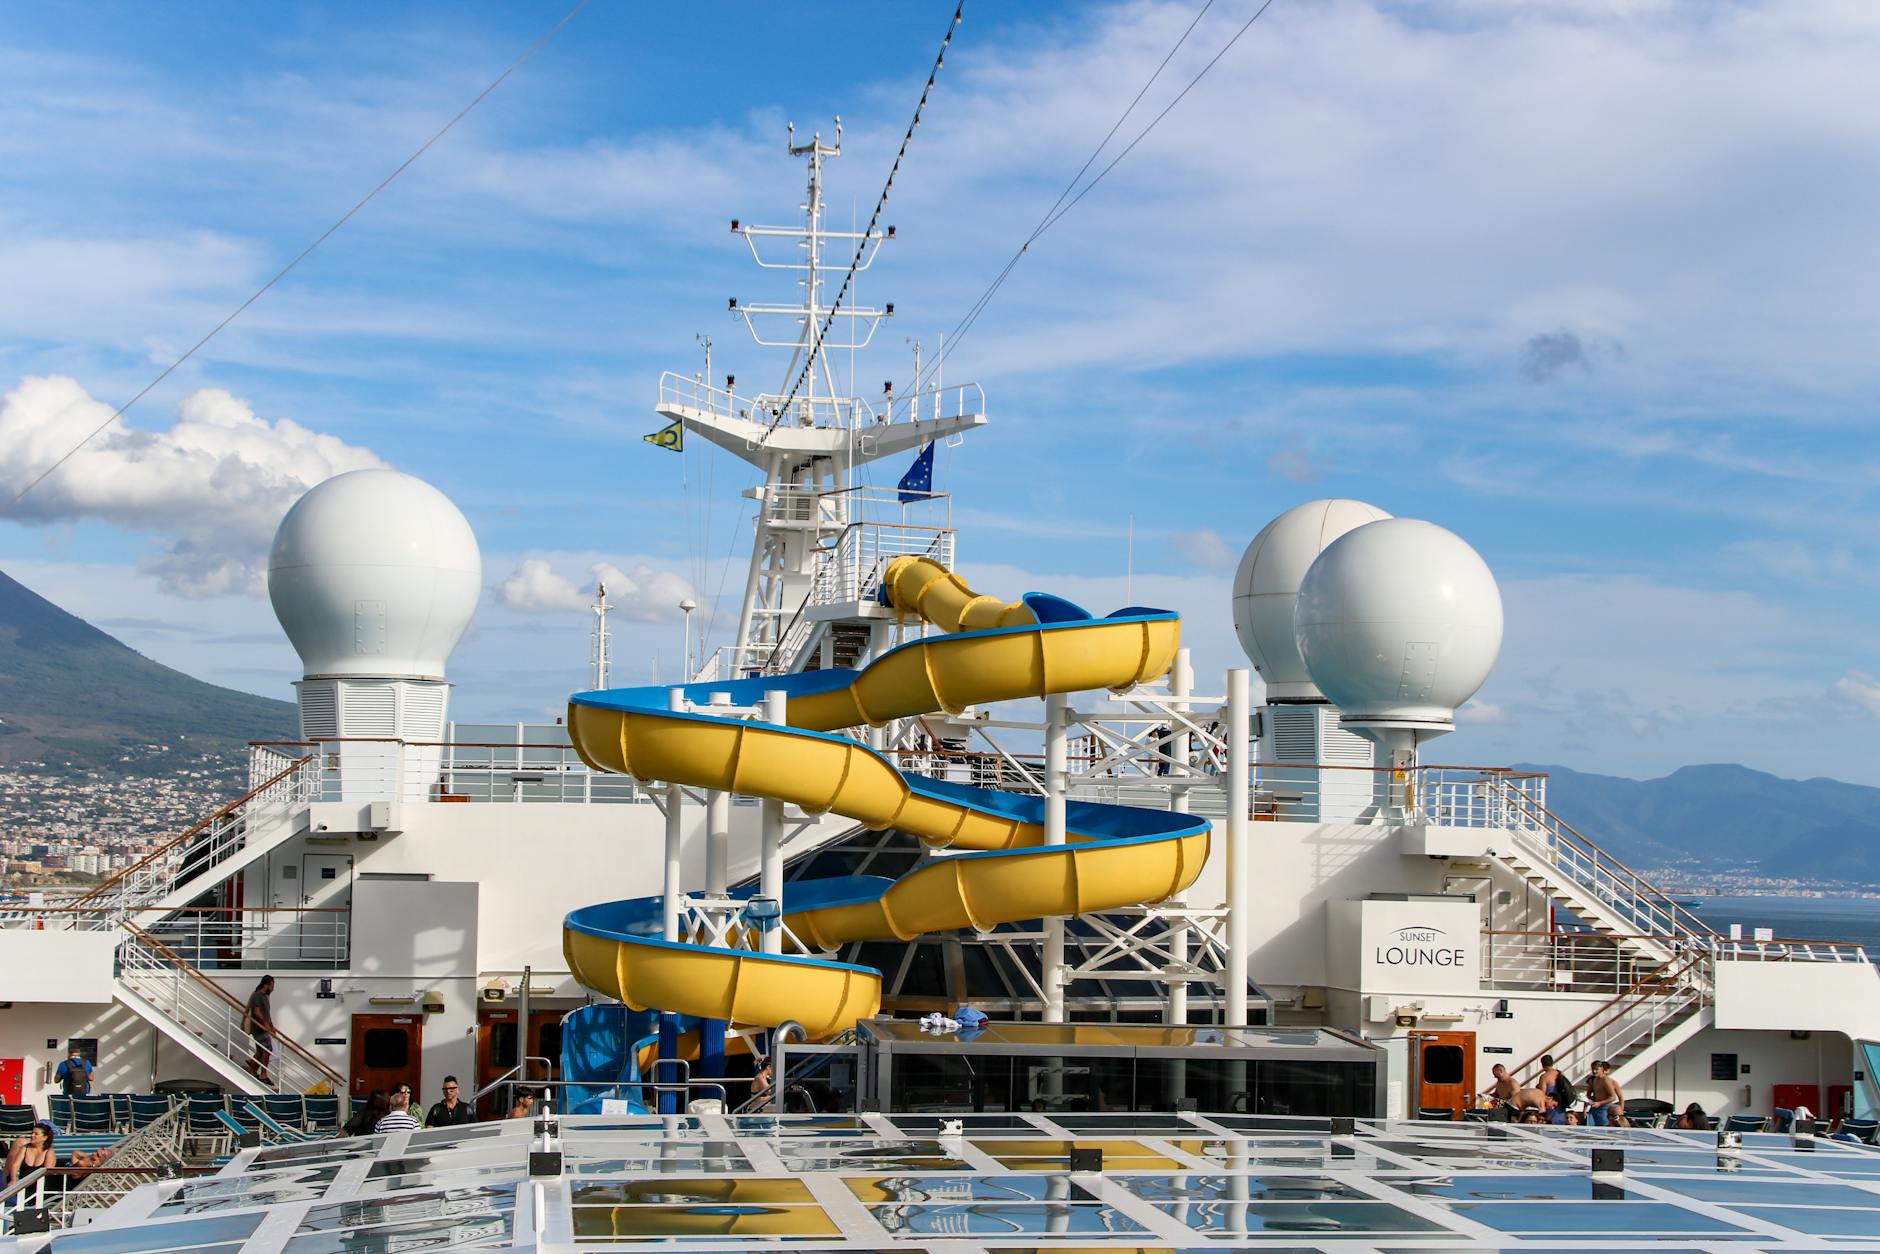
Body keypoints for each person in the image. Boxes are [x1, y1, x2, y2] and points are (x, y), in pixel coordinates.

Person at [243, 975, 276, 1084]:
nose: (273, 989)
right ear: (267, 984)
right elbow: (256, 1012)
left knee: (261, 1050)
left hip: (263, 1028)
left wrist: (271, 1026)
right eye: (272, 986)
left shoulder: (264, 997)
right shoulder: (257, 995)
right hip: (259, 1028)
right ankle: (263, 1074)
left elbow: (267, 1014)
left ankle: (252, 1069)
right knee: (267, 1048)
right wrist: (266, 1024)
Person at [1586, 1060, 1623, 1127]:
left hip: (1604, 1108)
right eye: (1593, 1069)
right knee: (1590, 1128)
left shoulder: (1606, 1081)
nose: (1594, 1071)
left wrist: (1621, 1112)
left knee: (1602, 1128)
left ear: (1602, 1069)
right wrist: (1586, 1107)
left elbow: (1613, 1097)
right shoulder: (1593, 1080)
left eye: (1596, 1069)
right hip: (1594, 1107)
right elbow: (1588, 1095)